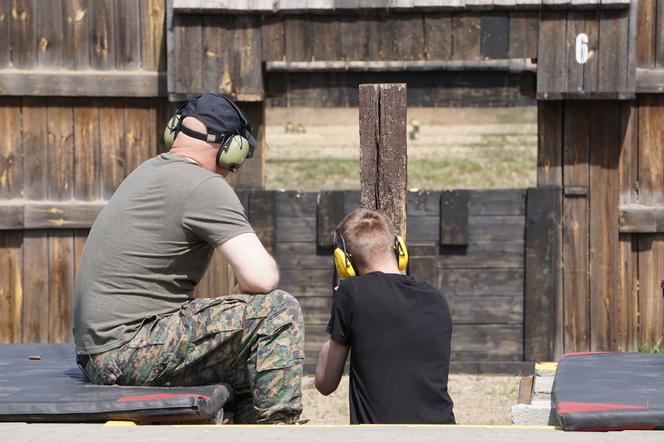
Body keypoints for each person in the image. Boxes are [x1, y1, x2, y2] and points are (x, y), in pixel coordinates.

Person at [72, 93, 304, 424]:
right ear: (230, 149)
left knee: (252, 363)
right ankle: (279, 434)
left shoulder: (148, 170)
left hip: (99, 354)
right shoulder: (204, 185)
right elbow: (261, 279)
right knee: (277, 312)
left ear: (175, 131)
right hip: (127, 349)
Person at [314, 208, 455, 424]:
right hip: (443, 433)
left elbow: (325, 383)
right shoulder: (436, 297)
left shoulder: (351, 292)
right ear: (399, 248)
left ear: (343, 262)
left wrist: (339, 315)